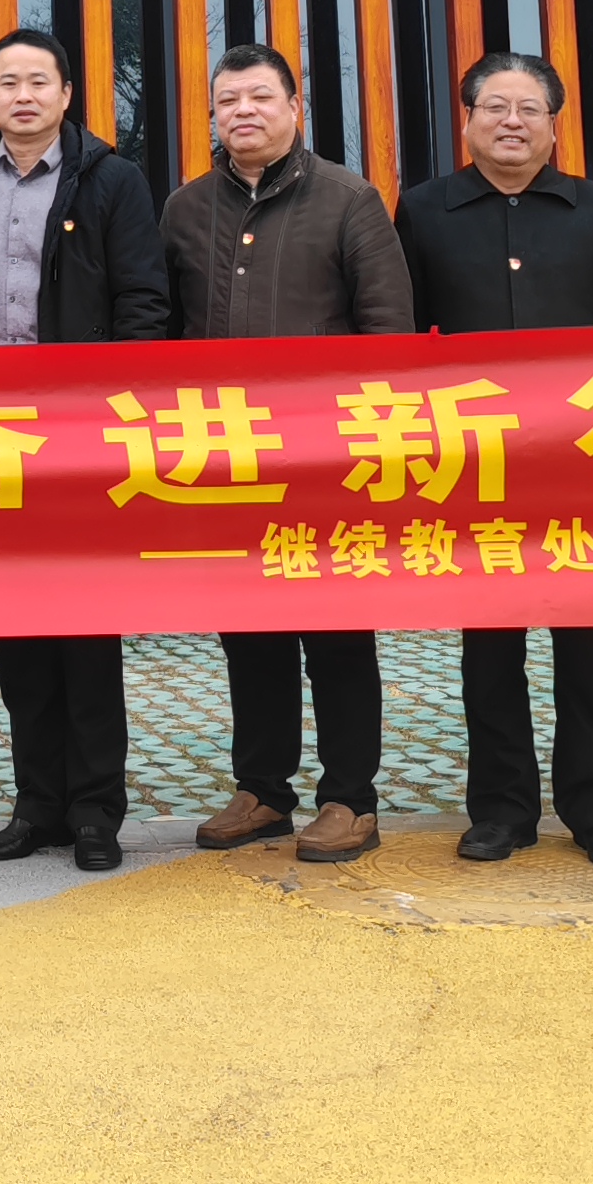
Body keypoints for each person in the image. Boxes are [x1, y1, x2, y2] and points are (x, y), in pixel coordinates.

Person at [396, 52, 593, 870]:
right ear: (467, 118)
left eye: (529, 108)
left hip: (580, 464)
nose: (512, 121)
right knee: (490, 649)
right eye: (496, 107)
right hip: (474, 466)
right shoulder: (424, 209)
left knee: (589, 647)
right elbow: (403, 340)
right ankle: (500, 811)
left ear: (553, 124)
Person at [159, 44, 414, 866]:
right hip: (227, 462)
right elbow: (162, 339)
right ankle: (263, 790)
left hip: (327, 464)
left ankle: (350, 798)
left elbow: (390, 335)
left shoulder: (349, 200)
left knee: (337, 635)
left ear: (295, 108)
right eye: (228, 99)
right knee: (249, 634)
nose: (244, 111)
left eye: (261, 97)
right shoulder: (185, 209)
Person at [0, 26, 165, 874]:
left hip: (83, 434)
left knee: (88, 628)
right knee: (20, 628)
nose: (23, 95)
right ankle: (36, 805)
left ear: (67, 94)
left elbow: (143, 302)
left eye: (39, 81)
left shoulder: (113, 180)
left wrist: (115, 416)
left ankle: (96, 809)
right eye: (8, 82)